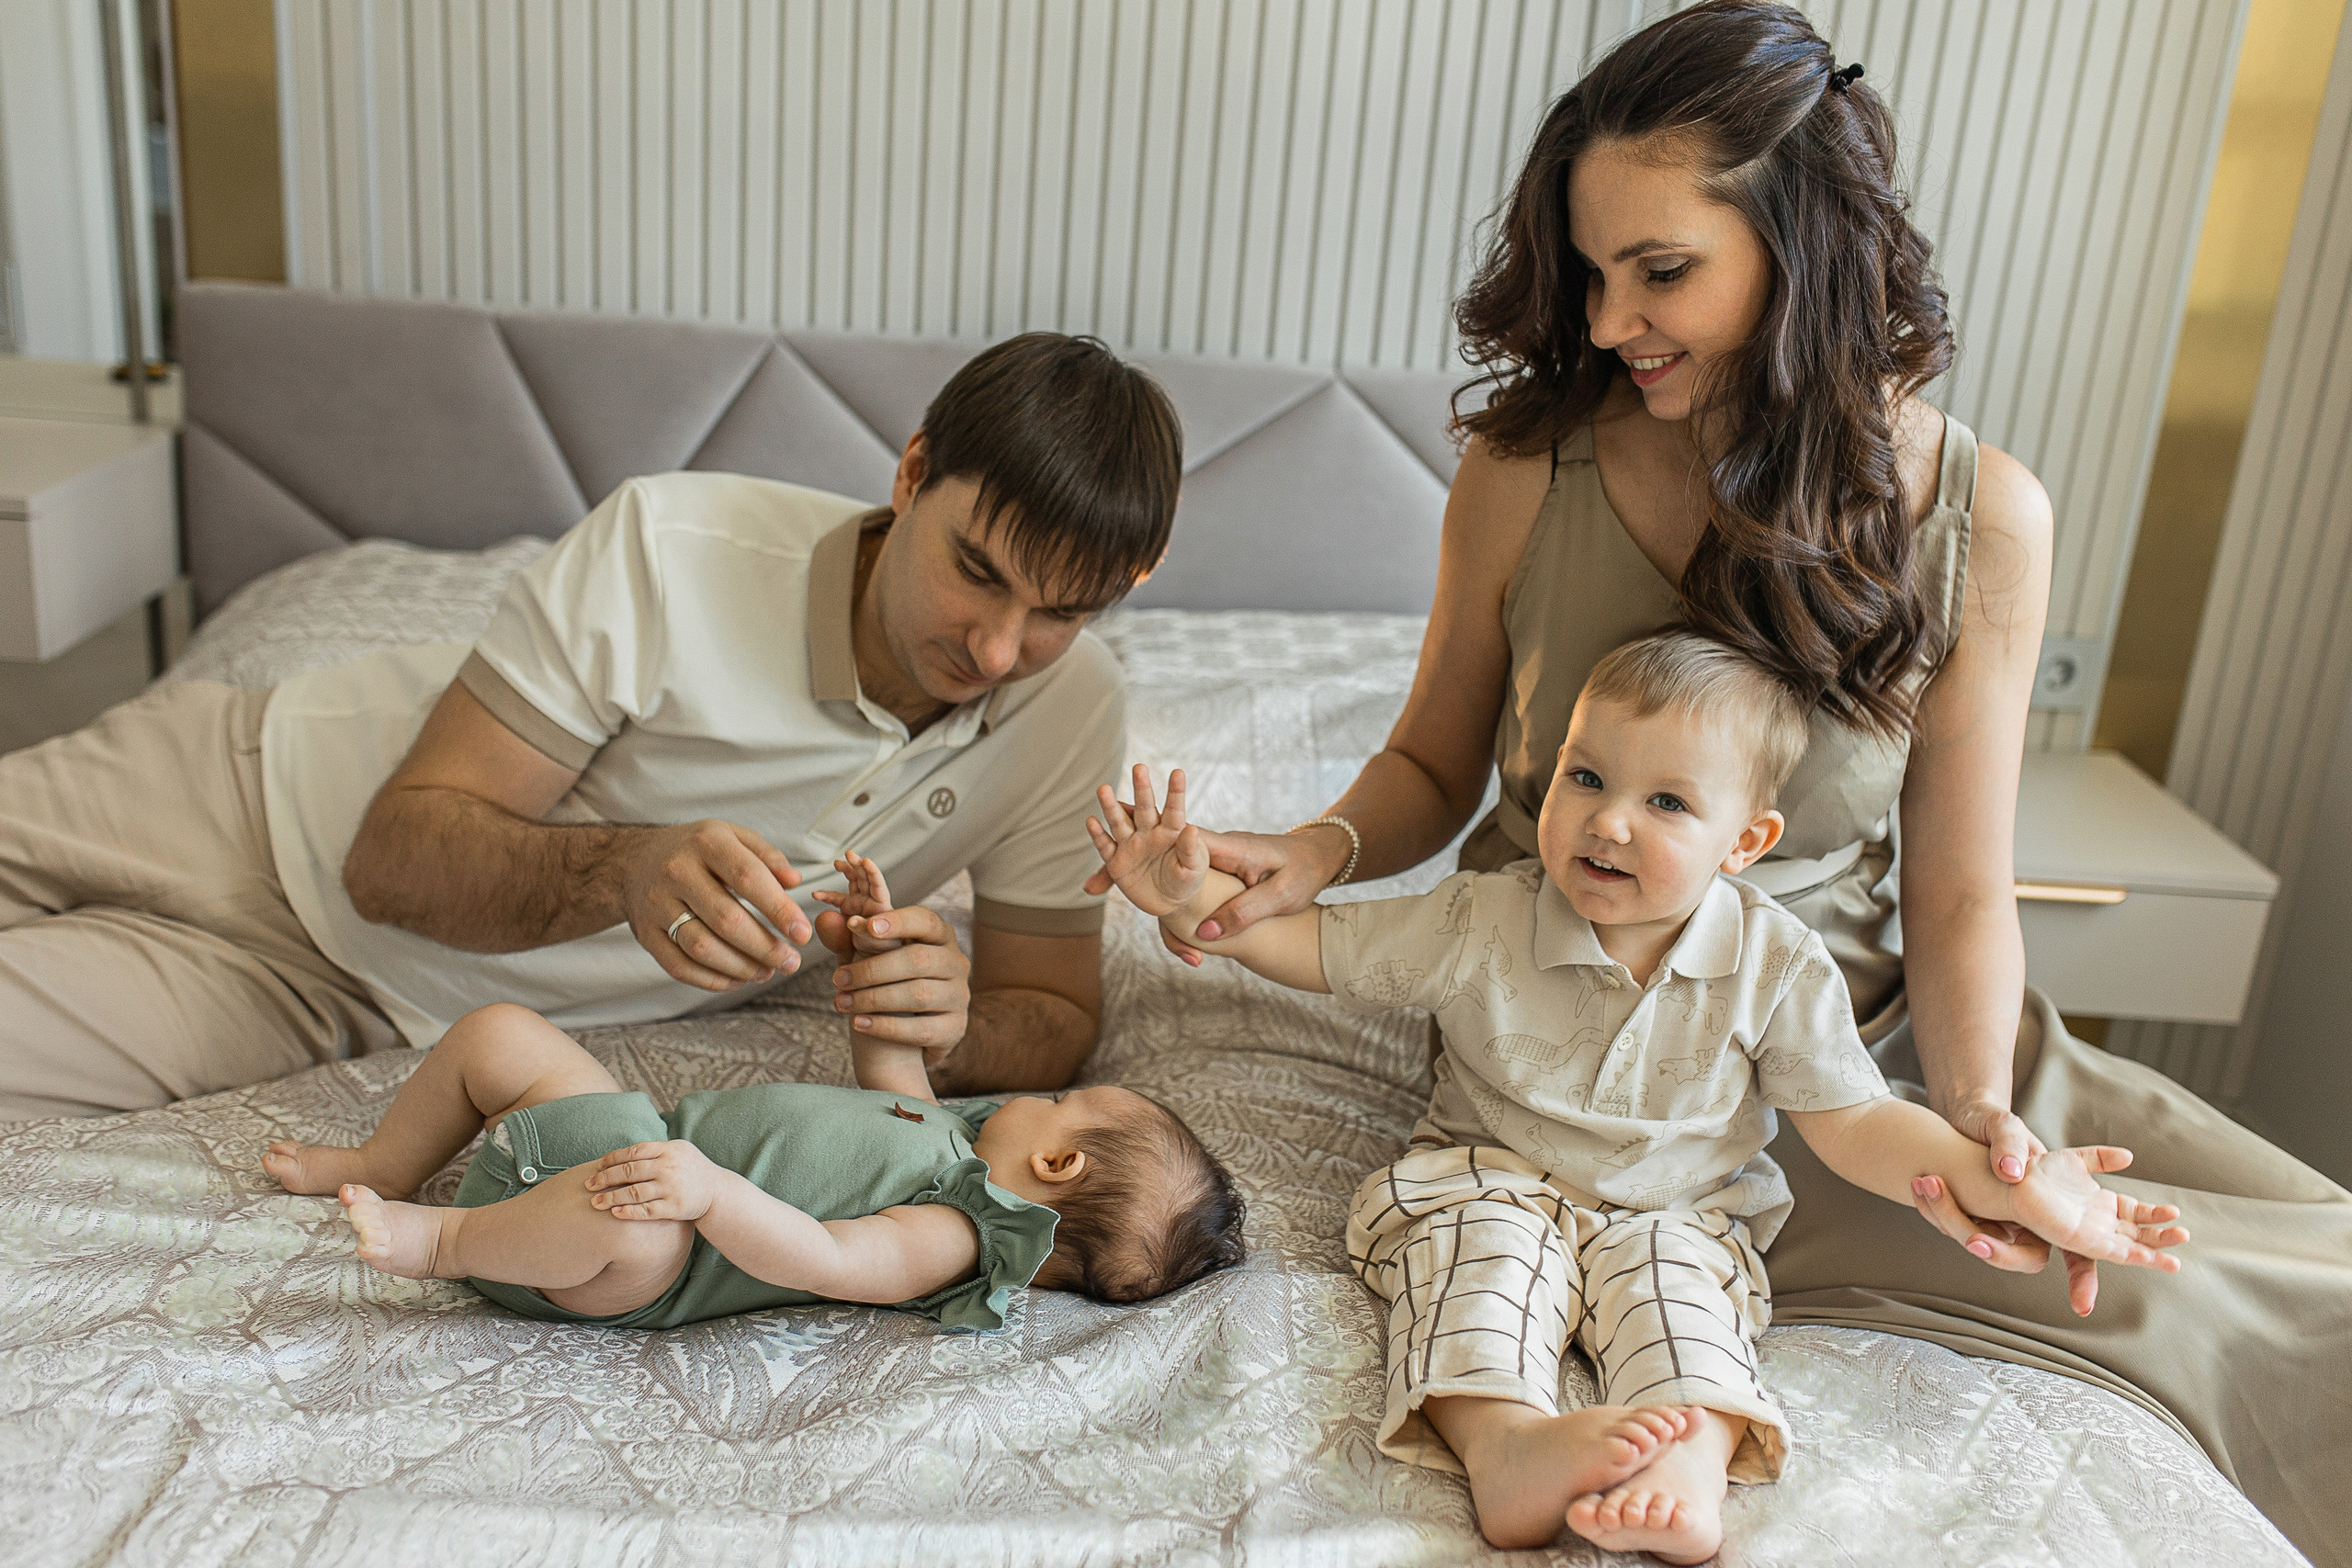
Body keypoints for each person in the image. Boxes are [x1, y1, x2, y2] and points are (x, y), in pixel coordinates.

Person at [1087, 5, 2352, 1561]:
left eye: (1663, 271)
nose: (1616, 320)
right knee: (2217, 1314)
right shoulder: (1524, 467)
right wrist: (1315, 847)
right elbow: (1428, 761)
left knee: (2322, 1265)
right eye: (1595, 272)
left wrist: (1976, 1126)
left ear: (1803, 248)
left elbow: (1958, 891)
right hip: (1625, 1072)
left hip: (1874, 1048)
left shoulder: (1977, 513)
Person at [1090, 637, 2185, 1560]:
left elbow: (1854, 1120)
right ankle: (1506, 1444)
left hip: (1675, 1208)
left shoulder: (1776, 962)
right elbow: (1316, 944)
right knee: (1474, 1268)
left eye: (1665, 801)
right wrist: (1187, 906)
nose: (1607, 823)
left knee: (1687, 1308)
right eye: (1585, 779)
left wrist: (2005, 1180)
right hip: (1492, 1177)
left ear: (1744, 842)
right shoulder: (1481, 918)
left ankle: (1695, 1459)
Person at [0, 332, 1182, 1120]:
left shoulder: (1067, 710)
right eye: (974, 573)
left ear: (1128, 582)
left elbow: (1056, 1015)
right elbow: (396, 855)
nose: (994, 650)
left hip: (347, 1002)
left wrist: (957, 1028)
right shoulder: (669, 549)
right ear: (912, 474)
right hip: (237, 788)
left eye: (1057, 614)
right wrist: (630, 866)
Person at [261, 852, 1248, 1329]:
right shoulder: (954, 1136)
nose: (1041, 1096)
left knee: (641, 1226)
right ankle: (380, 1162)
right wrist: (869, 964)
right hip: (623, 1137)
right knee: (500, 1034)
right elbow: (889, 1080)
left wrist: (710, 1198)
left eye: (1065, 1102)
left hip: (630, 1258)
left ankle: (444, 1240)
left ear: (1058, 1159)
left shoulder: (953, 1237)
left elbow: (826, 1256)